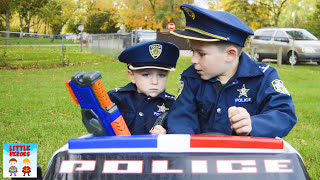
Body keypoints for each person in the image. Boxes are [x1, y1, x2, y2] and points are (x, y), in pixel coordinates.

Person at [167, 4, 297, 137]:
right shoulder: (192, 77)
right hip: (202, 155)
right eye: (192, 51)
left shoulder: (263, 76)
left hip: (247, 156)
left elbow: (284, 113)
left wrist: (253, 124)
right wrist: (186, 147)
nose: (193, 60)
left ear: (230, 54)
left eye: (201, 53)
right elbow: (180, 119)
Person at [108, 40, 179, 135]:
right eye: (146, 75)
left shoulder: (173, 105)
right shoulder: (115, 99)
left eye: (162, 75)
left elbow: (180, 136)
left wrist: (166, 135)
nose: (155, 82)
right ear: (132, 76)